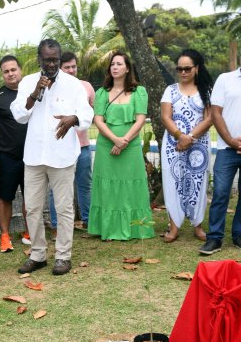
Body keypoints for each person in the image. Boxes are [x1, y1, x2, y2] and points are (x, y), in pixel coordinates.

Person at [10, 39, 94, 275]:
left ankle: (63, 256)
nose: (51, 64)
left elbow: (86, 113)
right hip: (35, 156)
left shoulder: (73, 84)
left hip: (62, 156)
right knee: (34, 208)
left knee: (64, 208)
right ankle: (37, 255)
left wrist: (73, 119)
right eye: (46, 60)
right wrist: (36, 92)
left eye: (55, 60)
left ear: (59, 59)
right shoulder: (28, 82)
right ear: (39, 59)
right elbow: (19, 115)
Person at [88, 51, 154, 241]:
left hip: (130, 145)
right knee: (107, 185)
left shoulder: (139, 92)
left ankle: (135, 228)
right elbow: (98, 121)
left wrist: (124, 140)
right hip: (106, 146)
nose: (114, 67)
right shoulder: (101, 93)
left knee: (131, 185)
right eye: (112, 64)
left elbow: (140, 120)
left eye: (119, 64)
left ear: (127, 68)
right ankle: (107, 228)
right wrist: (115, 140)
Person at [161, 49, 212, 243]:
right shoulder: (170, 90)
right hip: (173, 146)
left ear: (196, 68)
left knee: (198, 183)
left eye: (187, 68)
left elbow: (209, 118)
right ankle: (174, 227)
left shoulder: (206, 90)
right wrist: (179, 136)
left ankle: (197, 225)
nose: (183, 72)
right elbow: (165, 117)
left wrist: (189, 137)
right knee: (173, 182)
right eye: (179, 69)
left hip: (198, 146)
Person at [0, 55, 30, 253]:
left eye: (13, 69)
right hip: (7, 156)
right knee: (5, 196)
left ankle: (31, 233)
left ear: (20, 70)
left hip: (32, 156)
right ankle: (5, 235)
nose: (11, 74)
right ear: (2, 74)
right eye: (6, 71)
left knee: (32, 196)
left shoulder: (33, 92)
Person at [49, 51, 95, 239]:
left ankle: (88, 221)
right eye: (66, 67)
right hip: (59, 146)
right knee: (56, 188)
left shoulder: (86, 87)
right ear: (60, 68)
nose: (71, 70)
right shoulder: (52, 87)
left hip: (82, 145)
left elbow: (92, 113)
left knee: (85, 184)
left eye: (73, 66)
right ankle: (56, 225)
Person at [199, 64, 241, 255]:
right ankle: (214, 238)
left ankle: (238, 234)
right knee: (220, 193)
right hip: (226, 148)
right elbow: (216, 113)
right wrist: (232, 141)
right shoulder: (225, 79)